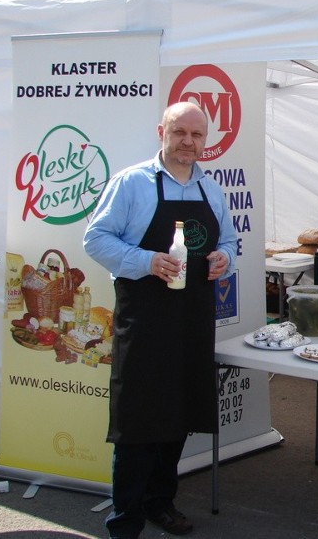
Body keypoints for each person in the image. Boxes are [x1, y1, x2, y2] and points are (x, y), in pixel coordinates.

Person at [83, 102, 238, 539]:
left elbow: (229, 238)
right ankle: (125, 519)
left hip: (192, 320)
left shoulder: (211, 189)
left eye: (197, 135)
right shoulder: (132, 183)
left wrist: (225, 256)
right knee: (137, 421)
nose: (189, 142)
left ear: (205, 141)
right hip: (145, 318)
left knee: (179, 411)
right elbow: (95, 238)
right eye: (180, 132)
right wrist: (146, 261)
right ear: (162, 132)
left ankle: (160, 502)